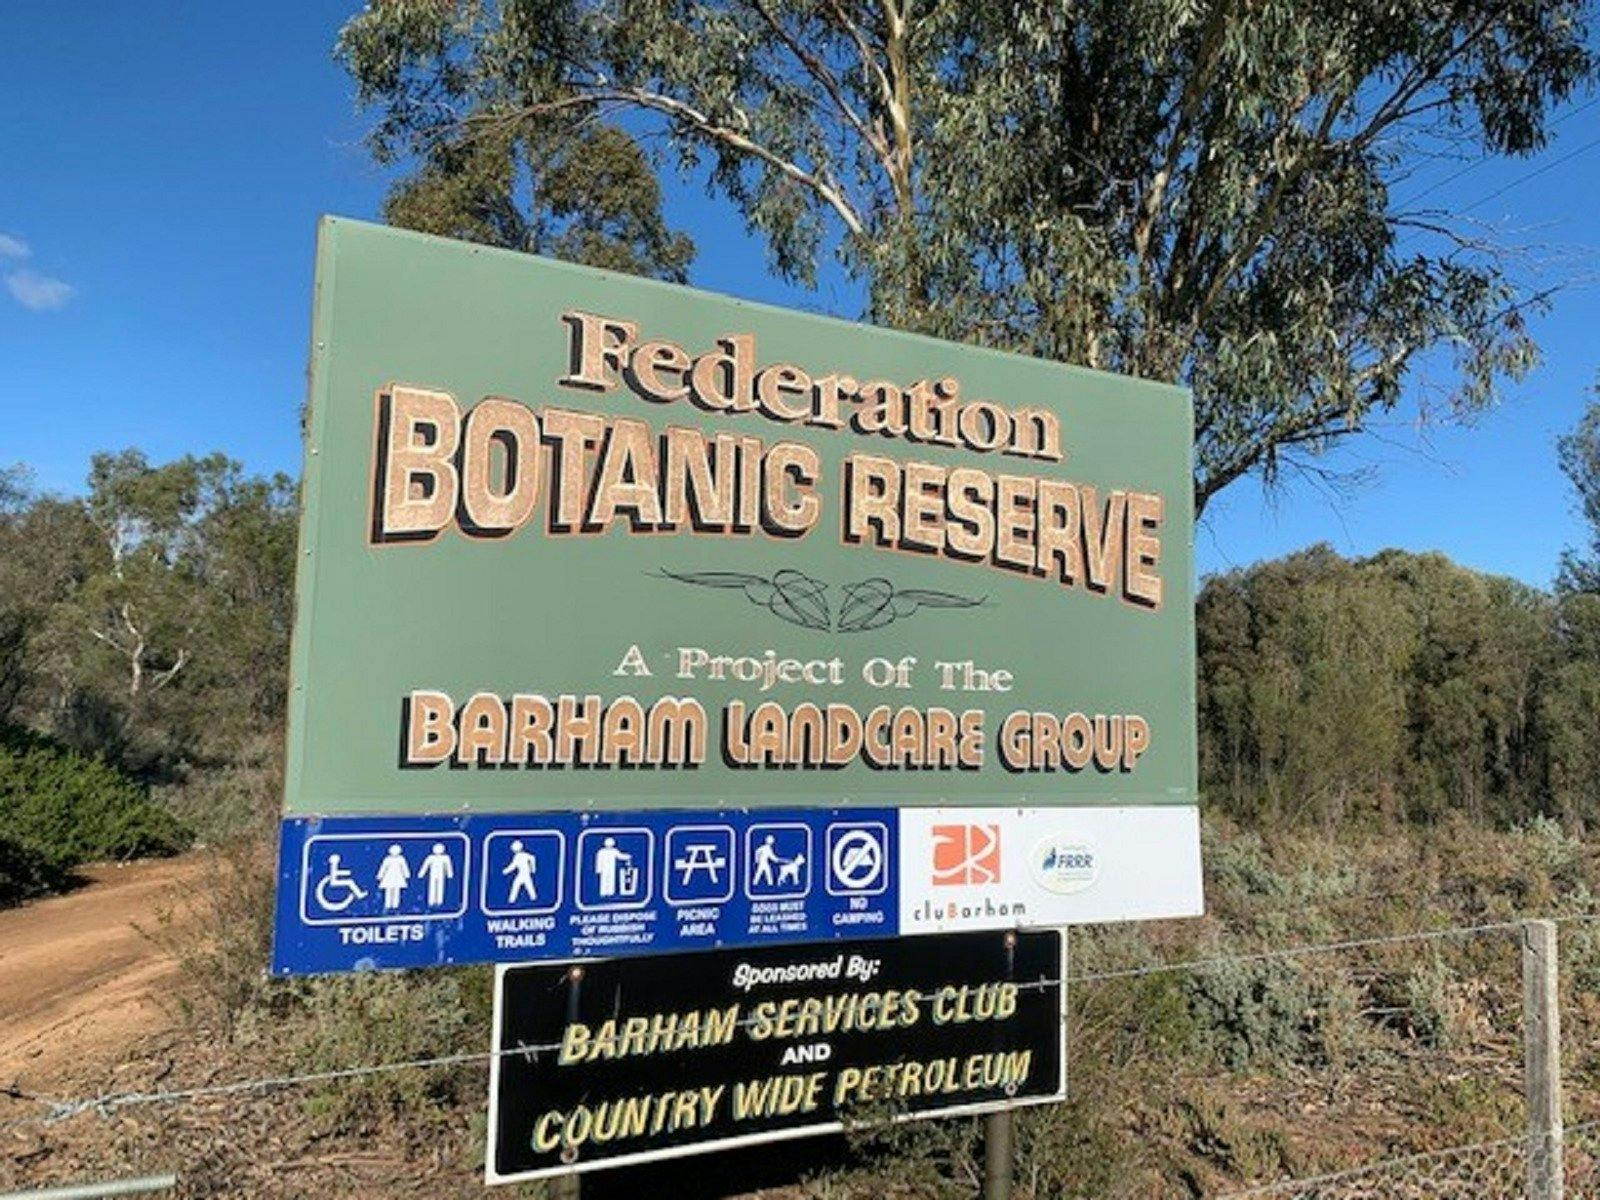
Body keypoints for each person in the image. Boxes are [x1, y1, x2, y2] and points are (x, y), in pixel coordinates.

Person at [418, 842, 455, 907]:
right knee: (432, 886)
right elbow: (425, 865)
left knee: (440, 886)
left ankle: (439, 901)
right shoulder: (430, 857)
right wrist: (421, 873)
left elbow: (448, 866)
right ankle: (431, 901)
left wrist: (450, 874)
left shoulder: (445, 857)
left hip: (441, 874)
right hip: (433, 874)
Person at [376, 844, 411, 911]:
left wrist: (407, 875)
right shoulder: (387, 859)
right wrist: (380, 875)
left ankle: (395, 905)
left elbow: (404, 867)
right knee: (388, 891)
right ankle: (388, 904)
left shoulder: (401, 859)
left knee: (396, 891)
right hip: (389, 877)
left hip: (397, 877)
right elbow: (383, 867)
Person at [504, 839, 538, 904]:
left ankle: (512, 900)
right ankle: (533, 897)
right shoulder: (524, 855)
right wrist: (533, 868)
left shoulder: (518, 856)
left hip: (523, 874)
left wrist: (506, 871)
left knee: (517, 884)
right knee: (528, 885)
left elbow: (513, 866)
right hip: (524, 873)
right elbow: (532, 858)